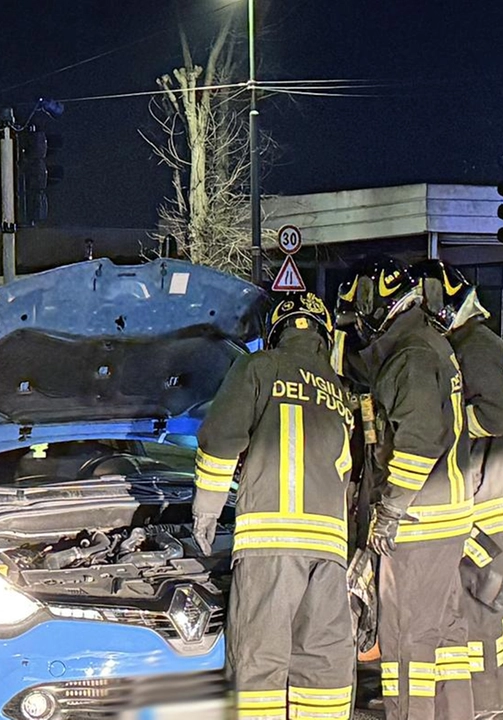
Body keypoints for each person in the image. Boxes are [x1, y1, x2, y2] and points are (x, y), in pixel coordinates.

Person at [191, 292, 356, 720]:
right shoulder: (339, 391)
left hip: (271, 539)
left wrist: (206, 508)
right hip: (329, 547)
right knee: (321, 662)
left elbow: (222, 438)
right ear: (325, 336)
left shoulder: (259, 367)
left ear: (275, 332)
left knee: (258, 662)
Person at [411, 259, 503, 720]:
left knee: (481, 604)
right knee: (485, 597)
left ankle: (492, 703)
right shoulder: (480, 342)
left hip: (492, 501)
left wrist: (447, 429)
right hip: (497, 496)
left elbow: (497, 414)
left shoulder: (474, 348)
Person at [344, 257, 473, 720]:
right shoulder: (428, 343)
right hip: (448, 515)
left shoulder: (411, 357)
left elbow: (418, 443)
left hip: (420, 521)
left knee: (406, 642)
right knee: (447, 634)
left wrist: (391, 509)